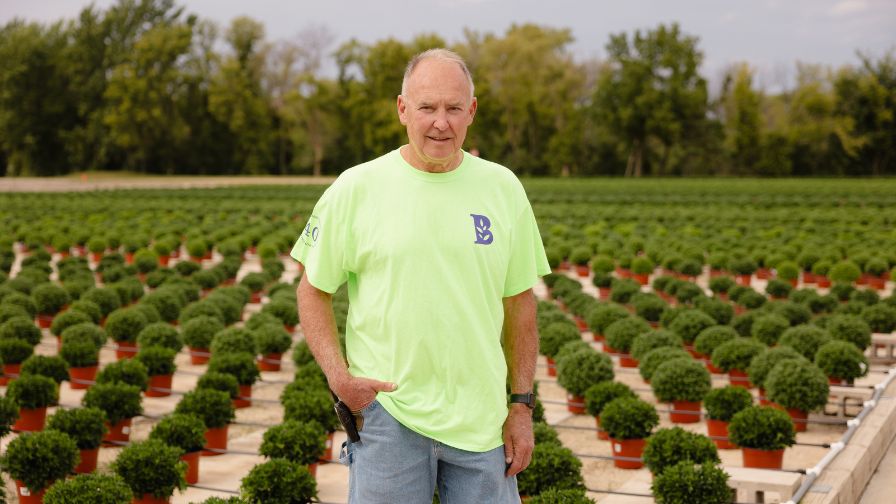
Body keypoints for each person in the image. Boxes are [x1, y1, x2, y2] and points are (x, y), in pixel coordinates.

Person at [292, 48, 550, 503]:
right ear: (402, 109)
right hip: (388, 419)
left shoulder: (503, 188)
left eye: (453, 108)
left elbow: (520, 303)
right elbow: (313, 290)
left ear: (471, 111)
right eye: (428, 107)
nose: (440, 122)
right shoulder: (356, 188)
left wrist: (521, 405)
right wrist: (340, 379)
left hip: (482, 424)